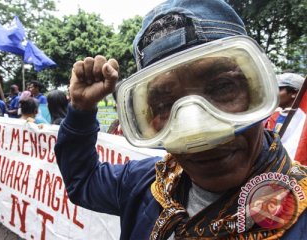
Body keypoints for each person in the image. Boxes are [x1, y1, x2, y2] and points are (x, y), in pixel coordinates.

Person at [55, 1, 307, 239]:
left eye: (222, 87)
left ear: (257, 90)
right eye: (164, 103)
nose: (197, 131)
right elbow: (84, 180)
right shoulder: (147, 184)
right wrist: (81, 108)